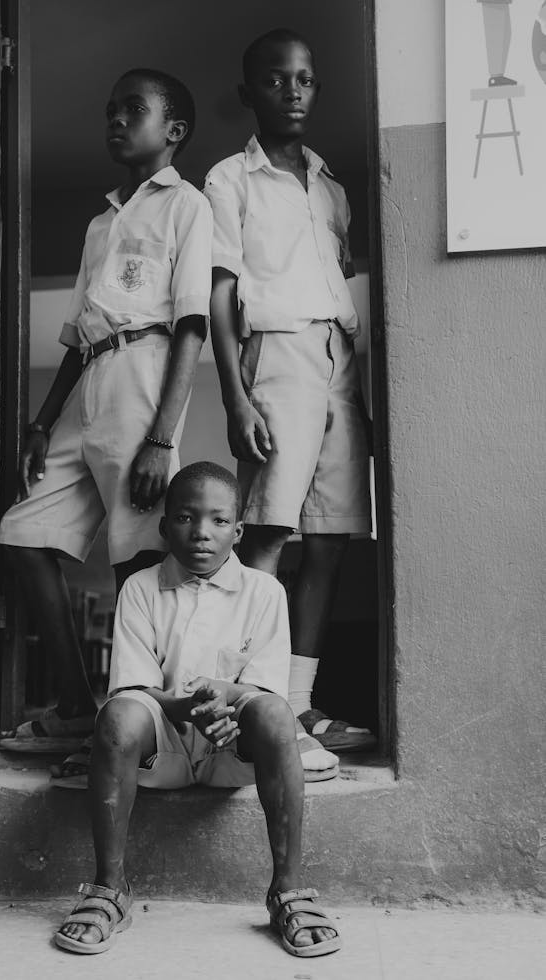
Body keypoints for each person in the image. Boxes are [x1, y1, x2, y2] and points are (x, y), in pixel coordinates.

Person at [0, 68, 212, 751]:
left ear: (173, 130)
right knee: (23, 535)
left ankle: (138, 728)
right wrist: (40, 422)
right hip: (86, 382)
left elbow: (191, 325)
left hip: (142, 383)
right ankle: (75, 704)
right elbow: (73, 335)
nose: (116, 119)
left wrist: (161, 437)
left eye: (134, 109)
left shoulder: (187, 206)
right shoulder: (100, 223)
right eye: (111, 109)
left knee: (135, 560)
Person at [54, 462, 341, 959]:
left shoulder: (264, 592)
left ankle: (288, 891)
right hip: (162, 744)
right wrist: (186, 707)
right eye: (186, 518)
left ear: (238, 530)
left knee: (275, 715)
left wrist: (225, 697)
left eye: (218, 521)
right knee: (117, 716)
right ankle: (109, 889)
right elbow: (135, 685)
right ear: (165, 527)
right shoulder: (140, 588)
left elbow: (263, 688)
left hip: (235, 749)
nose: (202, 533)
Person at [204, 29, 375, 753]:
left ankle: (297, 708)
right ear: (249, 94)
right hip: (275, 354)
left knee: (331, 539)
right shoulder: (228, 179)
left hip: (339, 357)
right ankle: (254, 710)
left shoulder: (331, 186)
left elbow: (339, 280)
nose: (294, 91)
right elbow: (219, 296)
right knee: (271, 534)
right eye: (276, 80)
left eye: (304, 79)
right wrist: (235, 400)